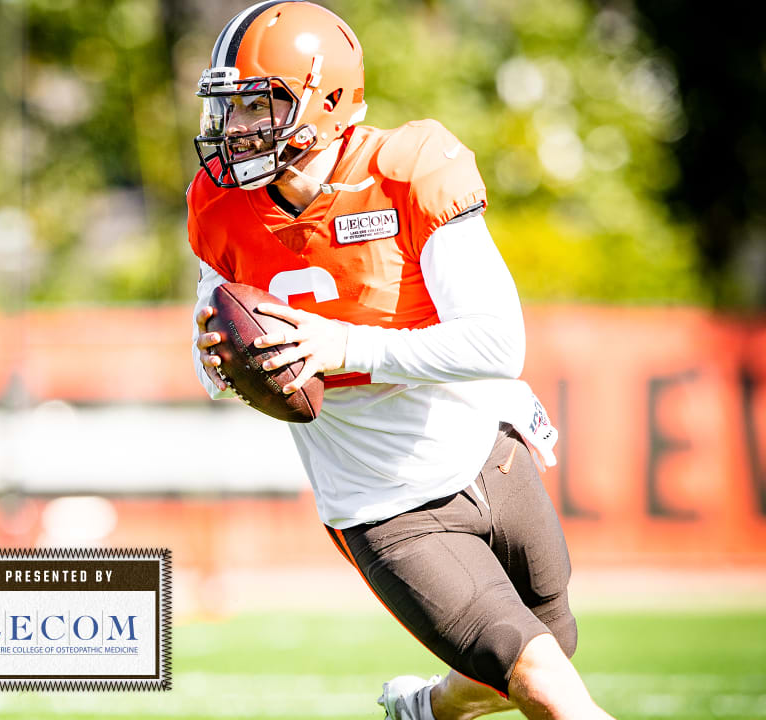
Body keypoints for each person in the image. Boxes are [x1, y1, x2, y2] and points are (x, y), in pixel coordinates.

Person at [187, 3, 613, 719]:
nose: (236, 128)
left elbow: (498, 344)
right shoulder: (220, 206)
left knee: (550, 649)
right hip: (382, 501)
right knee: (541, 679)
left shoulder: (409, 169)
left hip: (486, 450)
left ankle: (428, 709)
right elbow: (212, 359)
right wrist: (218, 362)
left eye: (259, 104)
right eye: (230, 108)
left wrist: (345, 345)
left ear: (325, 100)